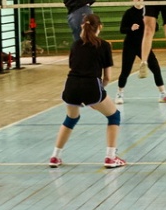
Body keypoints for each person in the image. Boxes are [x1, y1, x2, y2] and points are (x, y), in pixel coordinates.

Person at [48, 14, 127, 169]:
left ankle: (55, 157)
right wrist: (98, 97)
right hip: (91, 87)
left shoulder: (75, 45)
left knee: (71, 119)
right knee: (114, 116)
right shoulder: (104, 45)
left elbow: (73, 67)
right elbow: (107, 77)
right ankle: (111, 157)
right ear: (100, 27)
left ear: (82, 26)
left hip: (71, 86)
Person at [113, 0, 166, 105]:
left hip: (144, 46)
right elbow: (122, 29)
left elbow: (156, 28)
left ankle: (163, 94)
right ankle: (119, 94)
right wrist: (131, 28)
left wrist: (148, 24)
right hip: (130, 45)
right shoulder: (128, 12)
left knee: (156, 69)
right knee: (125, 70)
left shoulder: (148, 12)